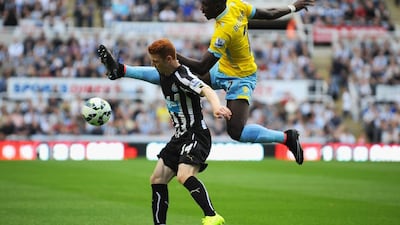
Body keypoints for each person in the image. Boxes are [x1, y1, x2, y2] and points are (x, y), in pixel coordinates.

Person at [98, 0, 313, 165]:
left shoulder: (224, 30)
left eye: (206, 5)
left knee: (236, 131)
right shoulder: (235, 5)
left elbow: (201, 67)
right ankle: (121, 70)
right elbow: (268, 14)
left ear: (218, 4)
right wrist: (292, 7)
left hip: (241, 77)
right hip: (223, 68)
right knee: (174, 74)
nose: (202, 9)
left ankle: (286, 137)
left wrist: (172, 54)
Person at [98, 39, 231, 225]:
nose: (153, 64)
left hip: (195, 134)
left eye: (156, 61)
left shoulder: (183, 76)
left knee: (184, 176)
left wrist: (217, 107)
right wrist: (119, 69)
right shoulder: (163, 73)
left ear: (169, 59)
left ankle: (212, 216)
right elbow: (139, 72)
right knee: (157, 179)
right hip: (179, 136)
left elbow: (207, 90)